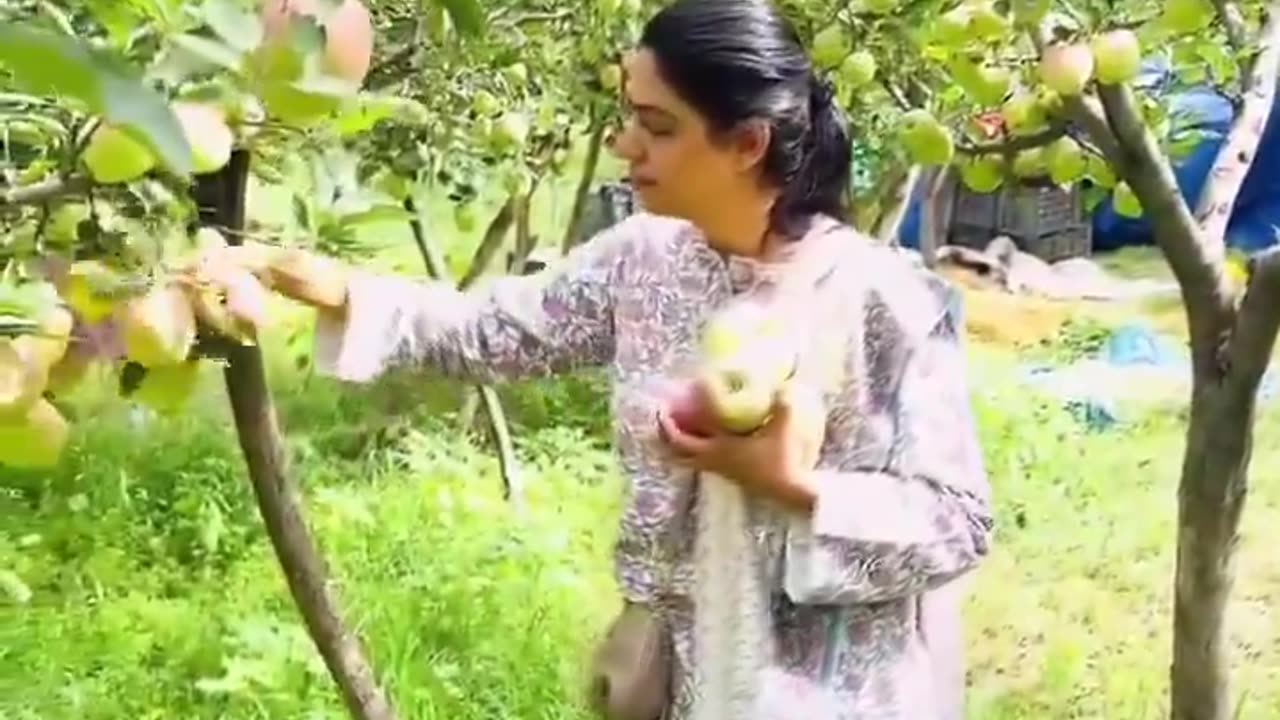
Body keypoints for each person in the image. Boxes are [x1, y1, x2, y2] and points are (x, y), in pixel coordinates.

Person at [203, 1, 994, 717]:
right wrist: (324, 283)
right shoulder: (643, 261)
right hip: (672, 679)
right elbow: (487, 333)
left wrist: (795, 488)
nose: (625, 144)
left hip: (828, 693)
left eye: (657, 125)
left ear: (747, 144)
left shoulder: (880, 299)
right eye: (628, 118)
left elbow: (956, 523)